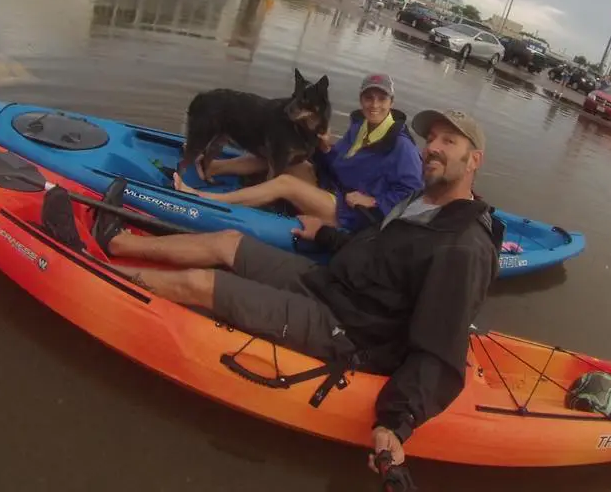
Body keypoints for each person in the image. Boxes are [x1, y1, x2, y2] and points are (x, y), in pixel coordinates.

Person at [94, 108, 502, 473]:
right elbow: (375, 257)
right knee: (226, 242)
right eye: (431, 138)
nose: (433, 148)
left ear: (474, 160)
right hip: (330, 285)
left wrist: (395, 423)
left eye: (449, 141)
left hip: (348, 329)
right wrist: (326, 235)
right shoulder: (420, 202)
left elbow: (439, 352)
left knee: (201, 282)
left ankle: (95, 269)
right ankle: (117, 242)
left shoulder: (462, 247)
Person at [175, 73, 423, 233]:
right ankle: (212, 166)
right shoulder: (360, 127)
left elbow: (413, 192)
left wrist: (375, 201)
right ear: (361, 99)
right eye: (369, 98)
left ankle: (204, 199)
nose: (374, 105)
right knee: (283, 158)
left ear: (392, 101)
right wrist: (325, 149)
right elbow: (340, 165)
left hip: (351, 214)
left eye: (381, 99)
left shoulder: (401, 146)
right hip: (332, 188)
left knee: (284, 182)